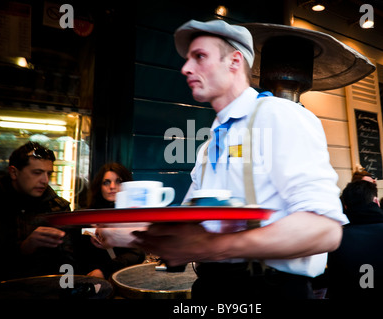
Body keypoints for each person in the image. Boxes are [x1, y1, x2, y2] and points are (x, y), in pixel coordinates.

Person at [129, 19, 348, 299]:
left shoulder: (279, 115)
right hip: (211, 286)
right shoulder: (211, 142)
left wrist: (209, 246)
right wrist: (126, 232)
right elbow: (192, 223)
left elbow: (324, 231)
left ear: (234, 62)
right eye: (188, 59)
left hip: (268, 289)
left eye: (200, 57)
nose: (185, 68)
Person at [0, 141, 73, 284]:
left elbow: (67, 261)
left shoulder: (58, 208)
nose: (45, 180)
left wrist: (67, 288)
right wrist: (23, 248)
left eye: (49, 174)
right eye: (37, 173)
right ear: (14, 172)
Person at [77, 163, 145, 279]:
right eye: (106, 182)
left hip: (122, 278)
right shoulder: (87, 216)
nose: (112, 186)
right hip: (89, 279)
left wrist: (105, 271)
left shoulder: (133, 216)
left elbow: (137, 253)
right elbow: (81, 250)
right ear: (100, 186)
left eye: (118, 181)